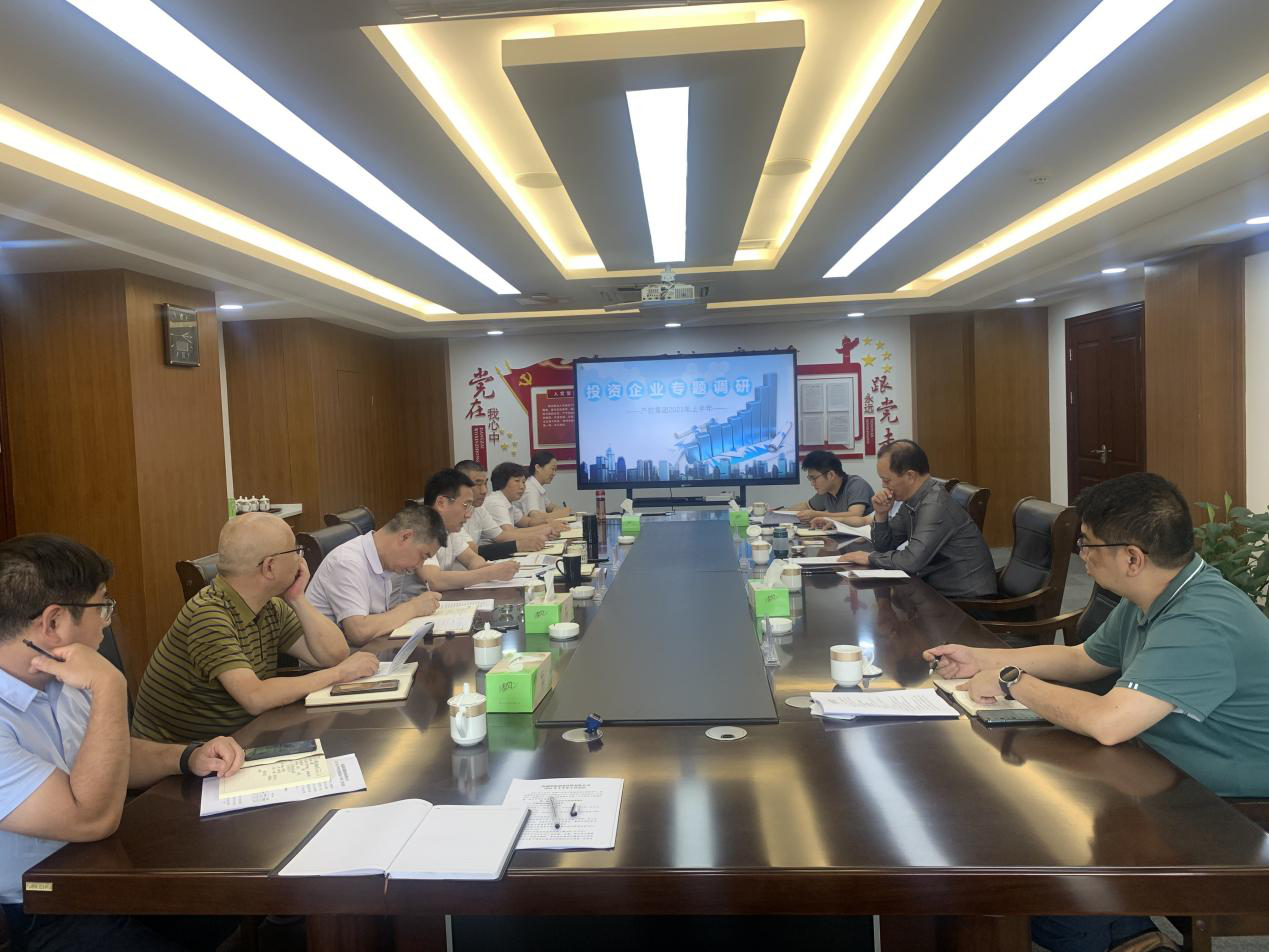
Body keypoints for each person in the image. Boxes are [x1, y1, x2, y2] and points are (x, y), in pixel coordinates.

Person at [927, 472, 1269, 952]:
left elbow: (1109, 723)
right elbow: (1082, 659)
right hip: (1163, 771)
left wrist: (1011, 680)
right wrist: (981, 658)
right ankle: (1131, 936)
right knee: (1011, 818)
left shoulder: (1200, 621)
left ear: (1132, 558)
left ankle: (1119, 937)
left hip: (1231, 811)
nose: (1081, 555)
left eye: (1088, 544)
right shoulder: (1157, 592)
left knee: (1021, 849)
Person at [0, 534, 244, 951]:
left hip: (109, 870)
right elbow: (90, 820)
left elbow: (110, 759)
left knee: (231, 892)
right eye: (102, 606)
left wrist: (188, 756)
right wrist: (110, 685)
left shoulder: (59, 674)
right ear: (54, 623)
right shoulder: (88, 678)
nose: (107, 621)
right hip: (45, 908)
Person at [130, 513, 380, 745]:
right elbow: (255, 697)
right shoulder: (208, 615)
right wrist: (338, 674)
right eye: (295, 551)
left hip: (237, 740)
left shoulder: (269, 606)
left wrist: (297, 598)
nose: (300, 560)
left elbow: (334, 655)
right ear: (269, 567)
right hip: (182, 760)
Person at [838, 440, 997, 599]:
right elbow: (884, 547)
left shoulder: (934, 505)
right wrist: (881, 514)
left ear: (910, 476)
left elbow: (911, 561)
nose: (884, 486)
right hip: (938, 590)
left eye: (887, 480)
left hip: (966, 600)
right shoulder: (913, 500)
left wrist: (869, 557)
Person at [305, 505, 446, 645]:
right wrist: (413, 608)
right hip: (332, 657)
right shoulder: (347, 562)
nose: (419, 565)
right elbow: (359, 632)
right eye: (422, 556)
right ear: (405, 537)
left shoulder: (382, 561)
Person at [413, 469, 520, 592]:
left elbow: (471, 558)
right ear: (441, 503)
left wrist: (491, 569)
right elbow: (434, 581)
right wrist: (489, 573)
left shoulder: (449, 529)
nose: (468, 515)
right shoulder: (421, 528)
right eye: (466, 505)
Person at [454, 460, 552, 552]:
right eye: (478, 484)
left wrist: (547, 528)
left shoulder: (479, 508)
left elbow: (502, 535)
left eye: (485, 484)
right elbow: (473, 550)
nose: (484, 491)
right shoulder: (495, 502)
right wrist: (520, 545)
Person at [789, 450, 874, 525]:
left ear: (831, 475)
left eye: (814, 478)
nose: (812, 483)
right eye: (810, 479)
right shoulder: (826, 491)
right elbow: (806, 506)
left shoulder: (856, 484)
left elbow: (855, 515)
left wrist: (817, 515)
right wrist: (783, 512)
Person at [521, 449, 572, 521]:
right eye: (552, 469)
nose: (554, 473)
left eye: (555, 470)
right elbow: (535, 517)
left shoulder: (537, 486)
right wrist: (559, 514)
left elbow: (550, 506)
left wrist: (559, 510)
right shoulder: (530, 488)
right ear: (538, 467)